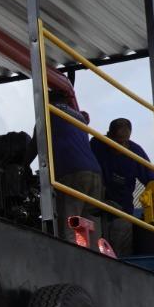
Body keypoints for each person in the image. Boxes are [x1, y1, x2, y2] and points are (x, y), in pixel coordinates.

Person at [90, 118, 152, 257]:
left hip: (122, 210)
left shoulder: (135, 151)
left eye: (125, 142)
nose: (122, 146)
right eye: (118, 142)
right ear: (109, 135)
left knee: (121, 253)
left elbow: (152, 179)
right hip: (96, 207)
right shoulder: (97, 144)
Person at [48, 100, 104, 241]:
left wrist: (24, 165)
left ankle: (71, 256)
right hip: (95, 174)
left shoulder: (49, 112)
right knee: (90, 223)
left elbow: (35, 144)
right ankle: (96, 256)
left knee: (70, 222)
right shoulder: (78, 117)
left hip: (72, 172)